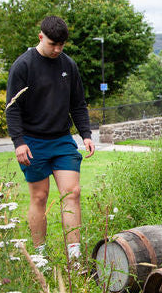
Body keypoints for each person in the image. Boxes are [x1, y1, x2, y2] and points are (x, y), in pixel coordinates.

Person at [6, 15, 96, 267]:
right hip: (32, 143)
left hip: (61, 140)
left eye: (62, 45)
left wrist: (86, 134)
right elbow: (12, 108)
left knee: (72, 193)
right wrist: (18, 142)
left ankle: (75, 259)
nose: (57, 49)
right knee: (39, 197)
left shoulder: (69, 65)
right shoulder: (23, 66)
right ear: (41, 37)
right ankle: (40, 256)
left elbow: (77, 104)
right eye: (53, 44)